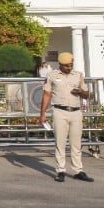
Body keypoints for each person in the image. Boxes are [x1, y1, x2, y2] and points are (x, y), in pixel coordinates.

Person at [38, 51, 94, 183]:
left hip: (76, 112)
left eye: (71, 65)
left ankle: (78, 170)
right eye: (66, 65)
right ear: (60, 64)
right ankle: (60, 170)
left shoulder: (78, 75)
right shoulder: (52, 75)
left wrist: (81, 92)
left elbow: (88, 95)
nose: (69, 67)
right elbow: (47, 95)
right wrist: (42, 114)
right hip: (59, 111)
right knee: (60, 142)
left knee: (76, 143)